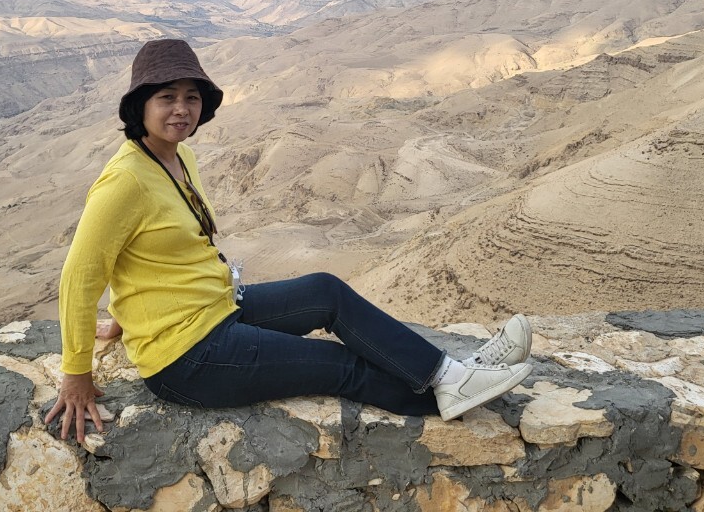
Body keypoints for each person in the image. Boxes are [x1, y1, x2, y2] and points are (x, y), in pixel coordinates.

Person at [46, 39, 533, 442]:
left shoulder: (177, 158)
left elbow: (154, 256)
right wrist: (76, 375)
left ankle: (451, 372)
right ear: (141, 105)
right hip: (188, 359)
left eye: (191, 97)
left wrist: (131, 316)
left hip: (216, 309)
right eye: (167, 97)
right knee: (340, 366)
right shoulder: (124, 181)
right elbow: (80, 276)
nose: (181, 109)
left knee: (326, 291)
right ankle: (450, 393)